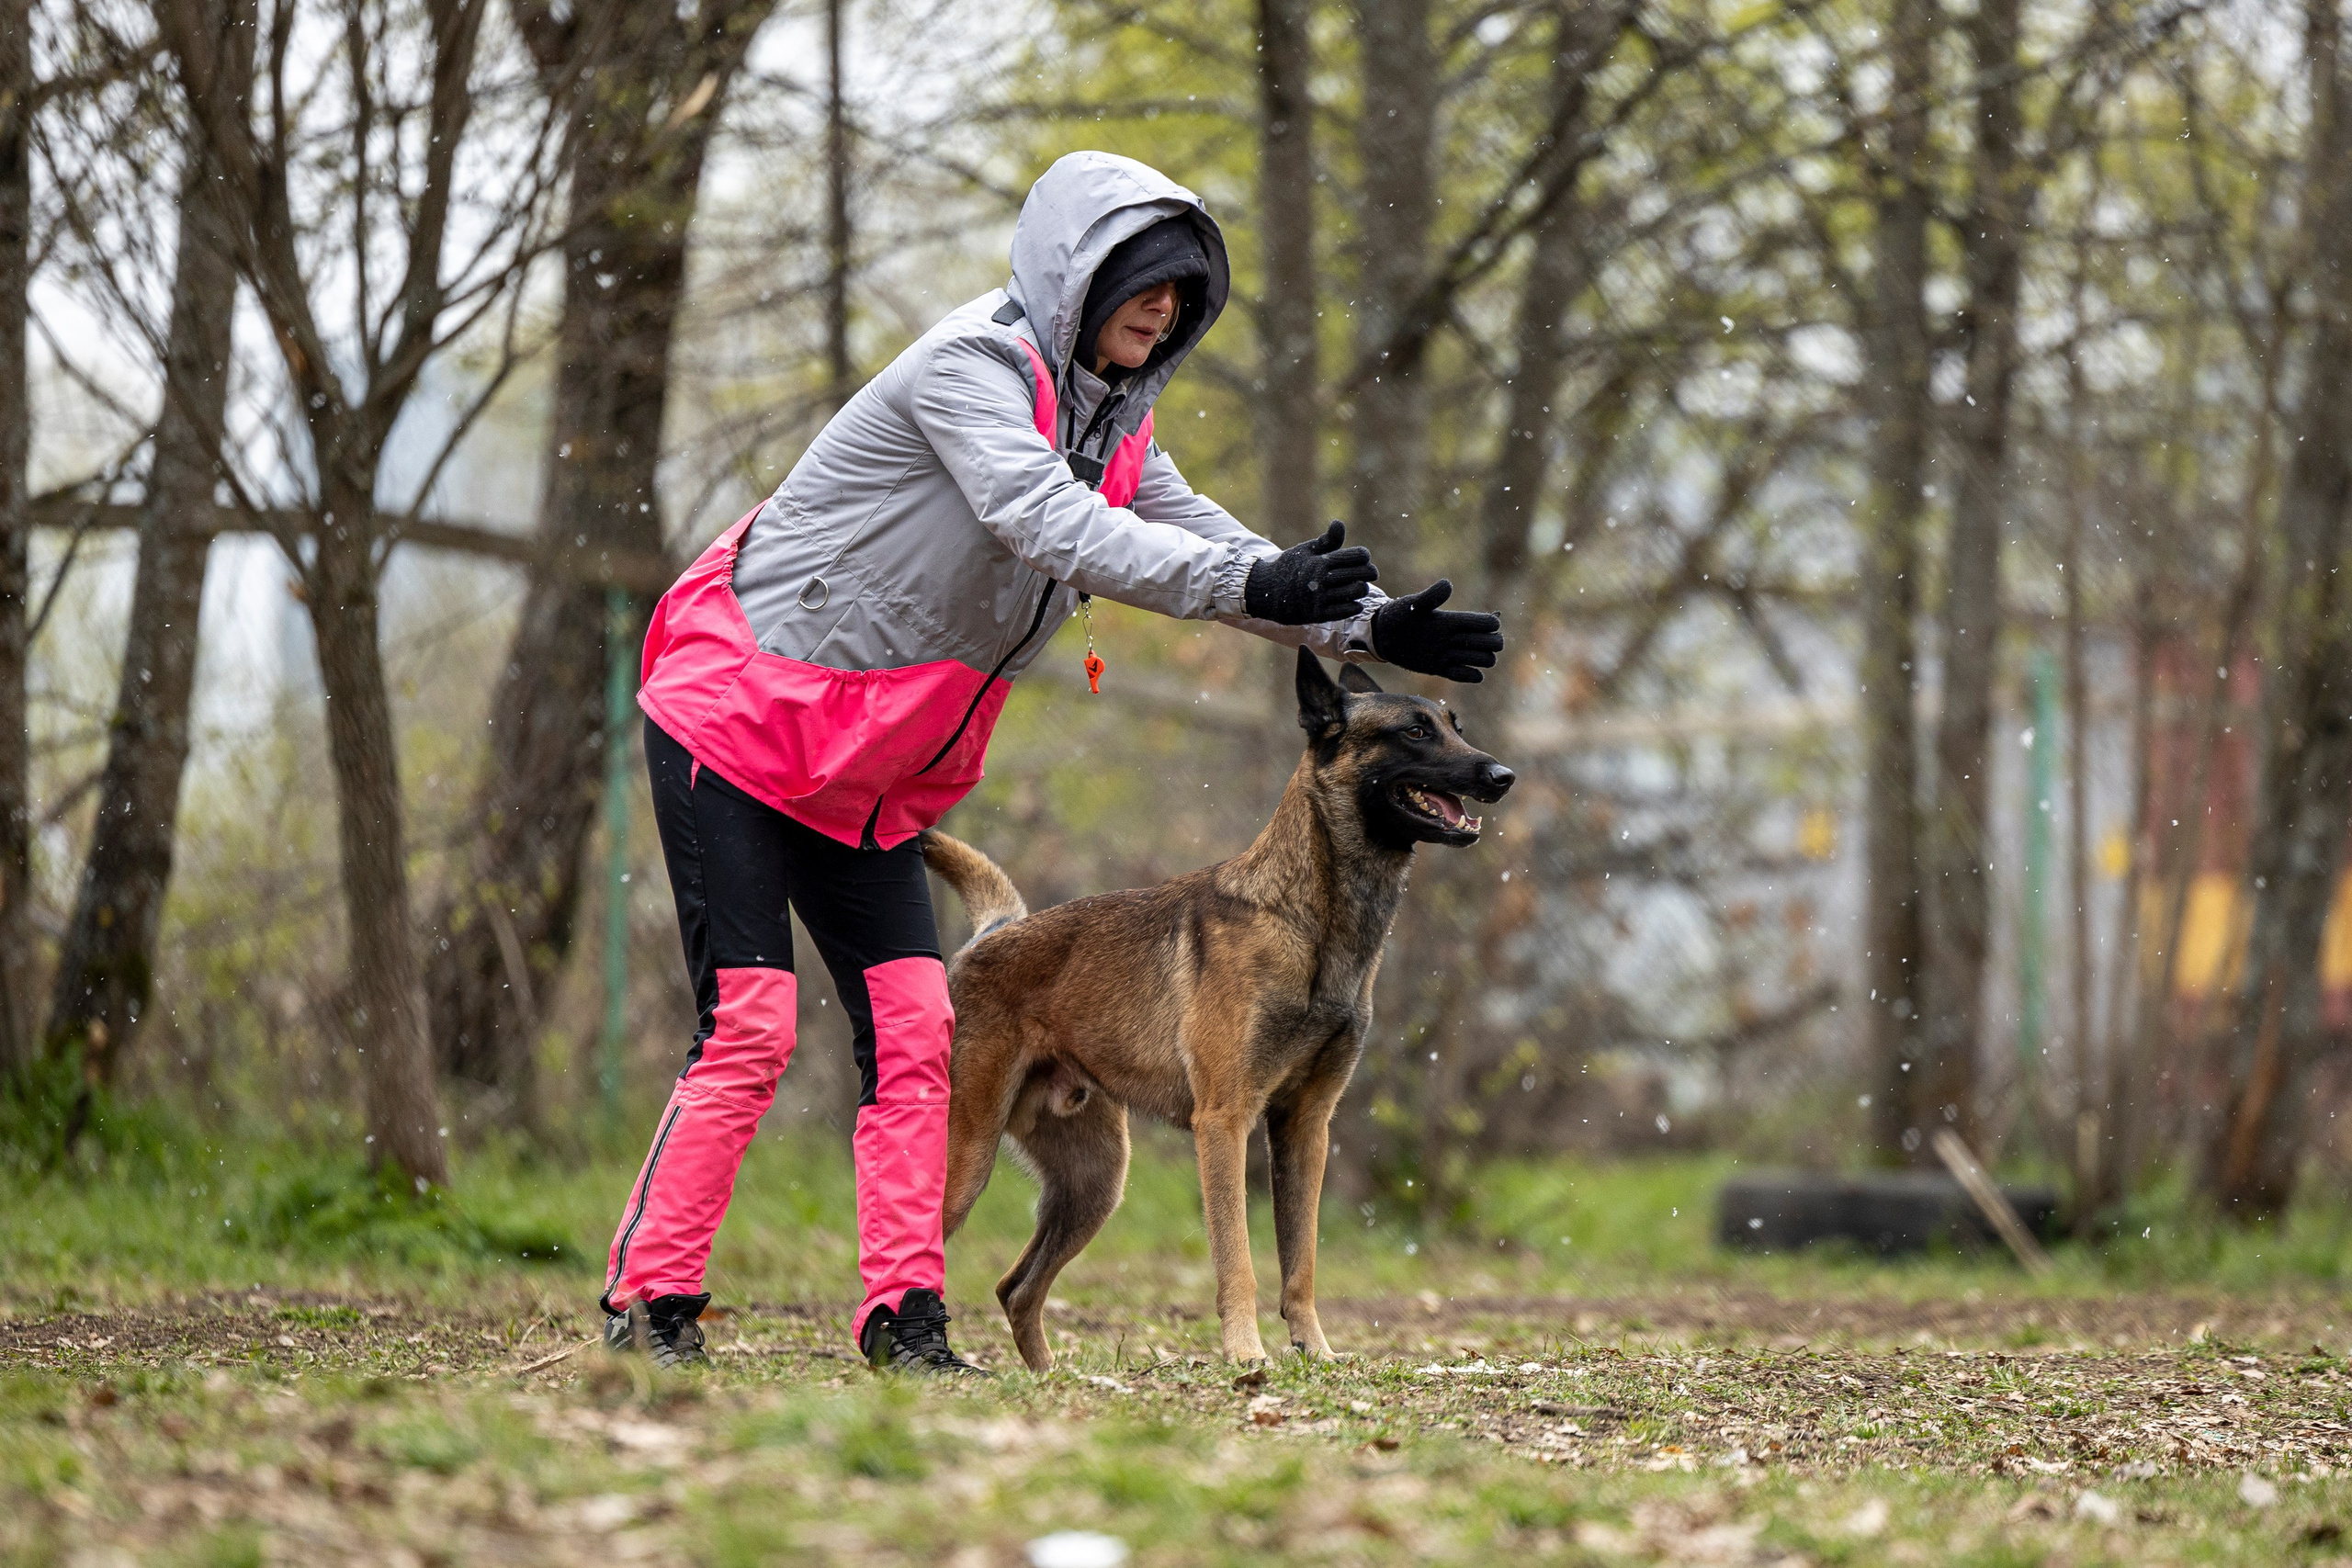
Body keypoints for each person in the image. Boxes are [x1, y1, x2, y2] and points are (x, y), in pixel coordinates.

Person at [599, 151, 1504, 1375]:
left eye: (1186, 295)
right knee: (753, 1026)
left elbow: (1225, 550)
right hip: (742, 718)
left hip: (866, 772)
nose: (1165, 310)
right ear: (1076, 277)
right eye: (1146, 283)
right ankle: (650, 1304)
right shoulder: (968, 371)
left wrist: (1373, 625)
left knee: (919, 1027)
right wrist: (1257, 582)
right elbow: (1047, 521)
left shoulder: (1120, 424)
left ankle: (904, 1320)